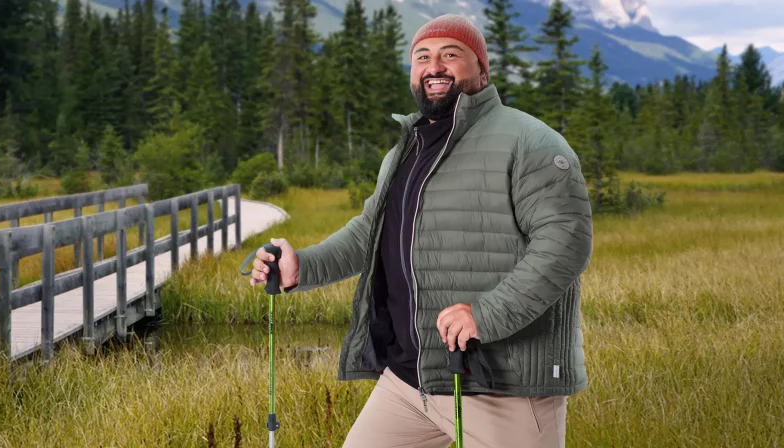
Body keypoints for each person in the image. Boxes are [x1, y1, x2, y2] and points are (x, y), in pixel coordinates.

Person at [247, 13, 593, 448]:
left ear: (482, 69)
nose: (434, 67)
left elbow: (565, 244)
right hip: (411, 382)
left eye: (451, 55)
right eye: (422, 57)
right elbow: (369, 233)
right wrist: (304, 267)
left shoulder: (531, 142)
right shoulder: (406, 149)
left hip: (501, 386)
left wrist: (485, 314)